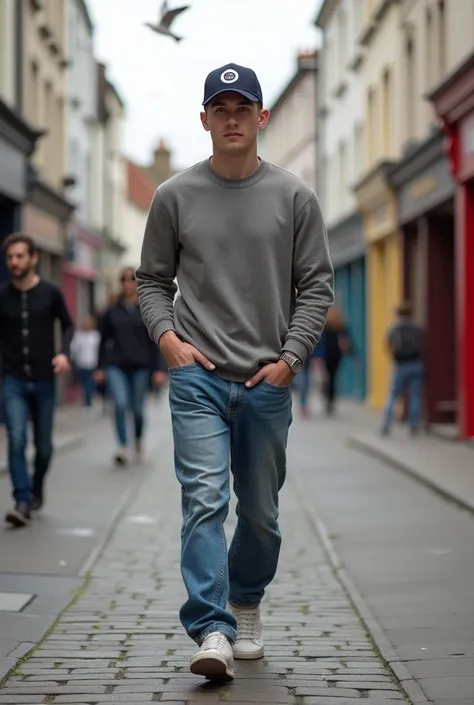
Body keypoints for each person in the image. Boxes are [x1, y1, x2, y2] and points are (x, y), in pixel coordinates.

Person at [136, 63, 334, 682]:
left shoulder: (295, 197)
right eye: (219, 109)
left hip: (265, 383)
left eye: (241, 109)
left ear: (261, 118)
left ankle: (245, 598)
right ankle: (214, 628)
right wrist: (168, 339)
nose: (231, 119)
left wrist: (291, 359)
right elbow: (150, 280)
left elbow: (317, 285)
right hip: (197, 377)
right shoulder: (173, 196)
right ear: (203, 120)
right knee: (203, 502)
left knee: (260, 514)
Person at [0, 233, 73, 527]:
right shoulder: (2, 296)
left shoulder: (51, 293)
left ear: (33, 259)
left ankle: (37, 485)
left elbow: (67, 326)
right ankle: (22, 500)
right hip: (13, 379)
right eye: (10, 257)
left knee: (43, 448)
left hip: (44, 379)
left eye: (19, 256)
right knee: (16, 437)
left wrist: (64, 353)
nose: (14, 262)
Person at [95, 267, 167, 466]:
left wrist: (159, 370)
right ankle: (122, 447)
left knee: (137, 410)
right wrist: (99, 367)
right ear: (121, 283)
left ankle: (137, 439)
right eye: (125, 279)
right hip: (115, 364)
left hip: (140, 366)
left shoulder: (145, 309)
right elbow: (103, 340)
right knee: (119, 403)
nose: (129, 283)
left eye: (132, 279)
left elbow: (155, 342)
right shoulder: (111, 310)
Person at [381, 302, 424, 436]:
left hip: (401, 365)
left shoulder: (394, 328)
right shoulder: (417, 327)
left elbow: (387, 345)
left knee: (393, 395)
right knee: (415, 395)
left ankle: (386, 424)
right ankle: (414, 425)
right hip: (416, 363)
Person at [318, 305, 352, 416]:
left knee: (327, 378)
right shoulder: (340, 326)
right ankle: (330, 400)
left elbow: (320, 342)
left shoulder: (326, 326)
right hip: (335, 356)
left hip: (327, 356)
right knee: (332, 378)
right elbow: (348, 342)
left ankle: (328, 399)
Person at [71, 315, 100, 411]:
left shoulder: (96, 335)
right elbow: (74, 348)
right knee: (84, 383)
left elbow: (98, 349)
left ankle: (88, 402)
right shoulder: (79, 335)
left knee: (89, 383)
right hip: (81, 363)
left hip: (92, 363)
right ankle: (86, 400)